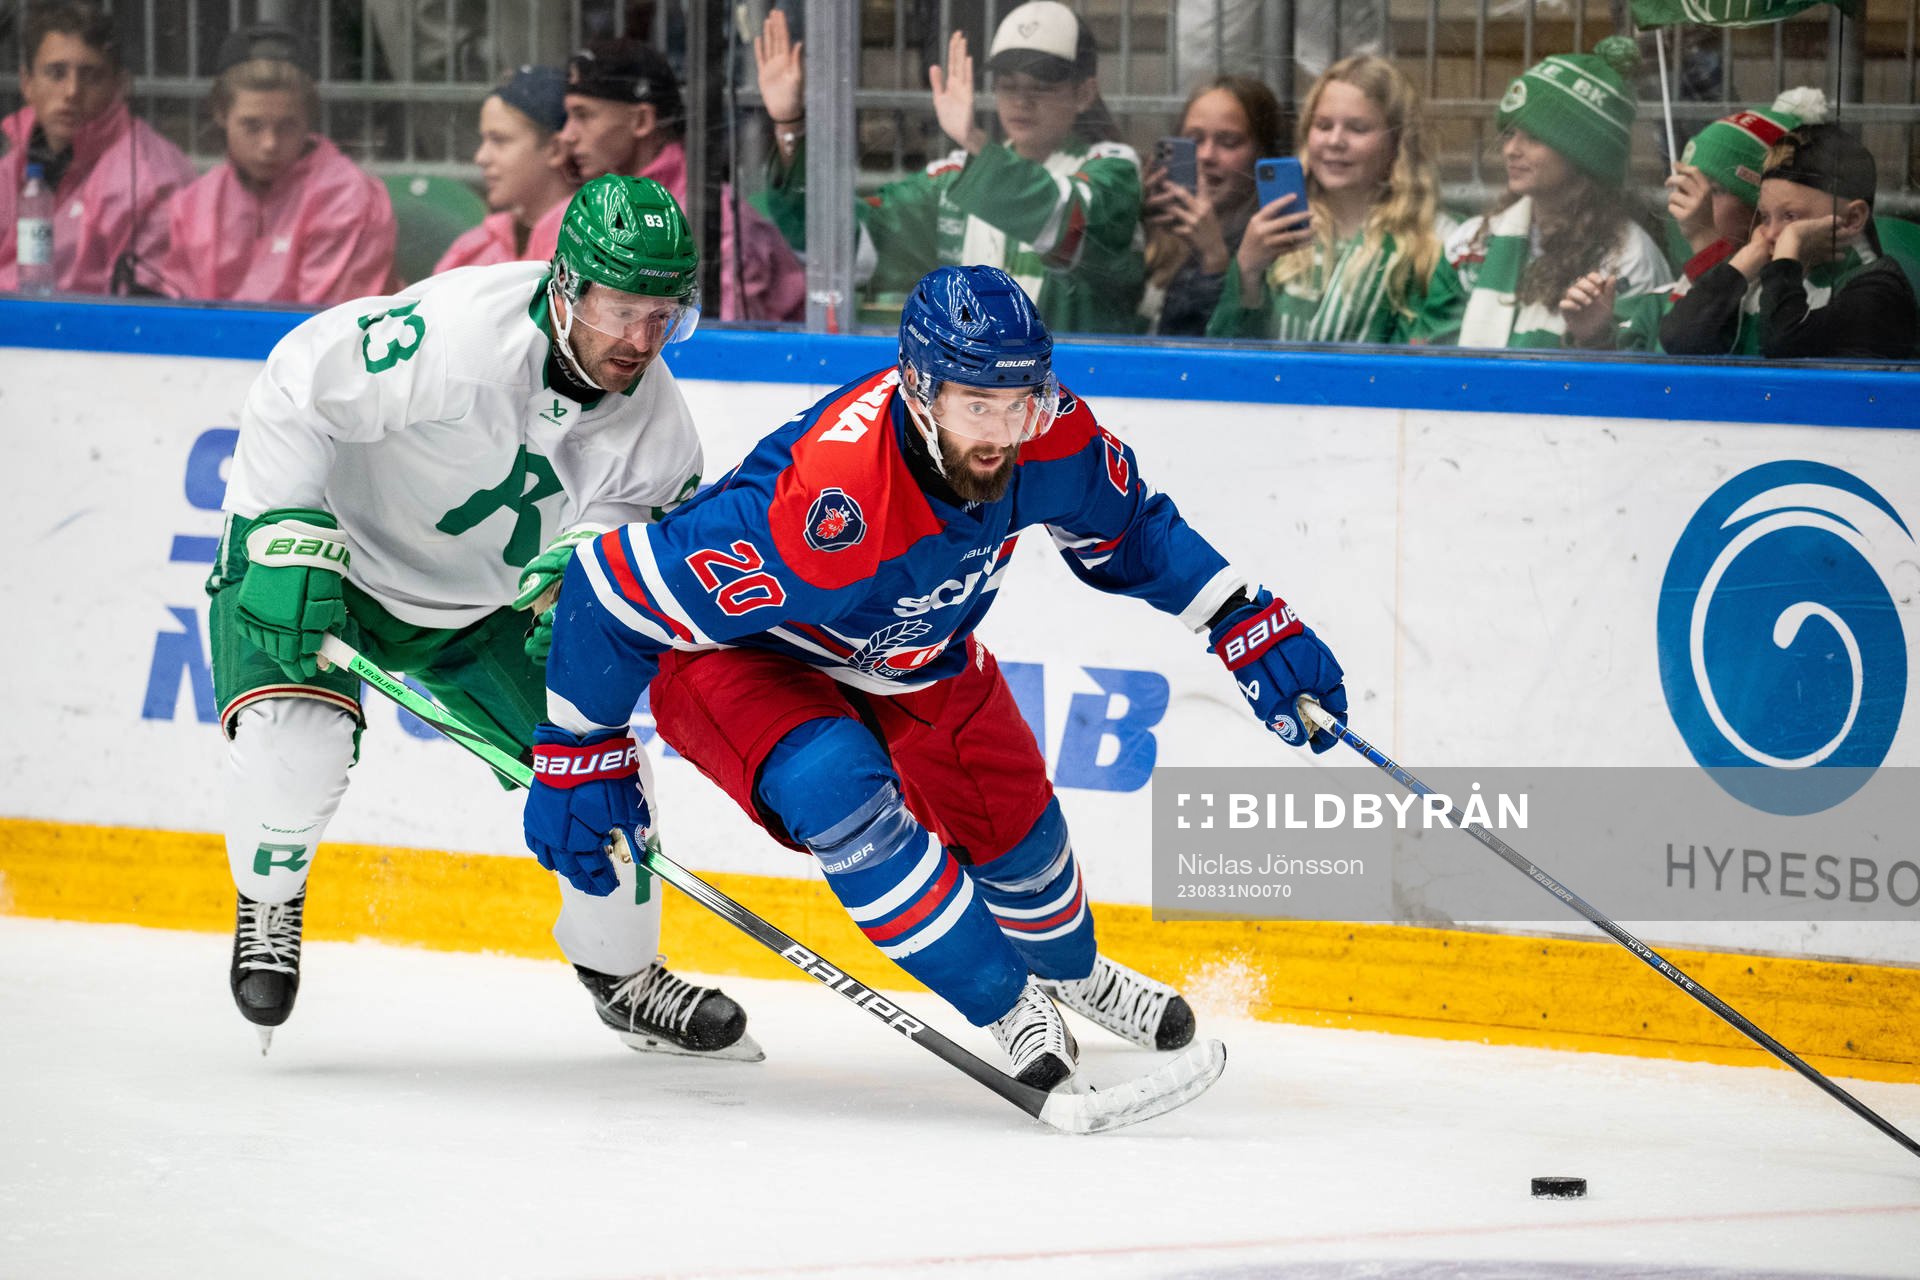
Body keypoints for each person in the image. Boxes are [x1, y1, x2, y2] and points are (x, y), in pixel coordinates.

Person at [521, 264, 1350, 1092]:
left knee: (1015, 820)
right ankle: (1007, 1004)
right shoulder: (828, 500)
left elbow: (1131, 532)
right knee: (834, 785)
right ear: (919, 392)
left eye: (1017, 400)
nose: (999, 430)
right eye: (974, 405)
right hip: (747, 660)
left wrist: (1240, 617)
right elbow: (609, 589)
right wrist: (575, 749)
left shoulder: (1049, 434)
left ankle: (1070, 974)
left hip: (915, 650)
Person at [211, 174, 755, 1060]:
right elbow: (300, 381)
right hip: (332, 566)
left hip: (478, 609)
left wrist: (575, 605)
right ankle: (269, 898)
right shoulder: (458, 335)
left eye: (664, 316)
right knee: (291, 752)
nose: (641, 340)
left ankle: (623, 979)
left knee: (606, 785)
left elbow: (607, 564)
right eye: (622, 310)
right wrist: (279, 525)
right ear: (566, 286)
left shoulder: (658, 438)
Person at [754, 2, 1145, 335]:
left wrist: (974, 140)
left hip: (1080, 395)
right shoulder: (952, 180)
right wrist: (790, 125)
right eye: (1009, 85)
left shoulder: (1114, 168)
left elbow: (1064, 218)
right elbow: (837, 242)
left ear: (1084, 94)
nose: (1022, 101)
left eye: (1041, 86)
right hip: (977, 398)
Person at [1405, 38, 1670, 350]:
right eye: (1509, 134)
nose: (1510, 151)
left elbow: (1635, 378)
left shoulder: (1629, 258)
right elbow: (1428, 352)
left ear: (1584, 152)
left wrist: (1596, 337)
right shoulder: (1470, 243)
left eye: (1533, 138)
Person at [525, 37, 805, 324]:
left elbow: (724, 355)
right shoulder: (559, 220)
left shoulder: (716, 221)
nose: (567, 134)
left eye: (583, 115)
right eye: (568, 115)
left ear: (642, 121)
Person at [1558, 88, 1829, 353]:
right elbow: (1638, 389)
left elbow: (1709, 354)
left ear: (1763, 208)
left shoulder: (1799, 307)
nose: (1692, 205)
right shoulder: (1657, 303)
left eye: (1717, 190)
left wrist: (1706, 242)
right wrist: (1595, 338)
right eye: (1689, 186)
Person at [1206, 55, 1451, 345]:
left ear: (1397, 142)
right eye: (1323, 126)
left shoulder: (1433, 242)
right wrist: (1246, 270)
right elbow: (1226, 356)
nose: (1335, 141)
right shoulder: (1280, 228)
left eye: (1357, 128)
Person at [159, 24, 396, 306]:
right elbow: (178, 313)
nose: (269, 144)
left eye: (286, 126)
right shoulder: (195, 202)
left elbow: (328, 329)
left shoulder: (347, 197)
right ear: (221, 115)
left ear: (308, 118)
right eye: (252, 126)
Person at [1653, 124, 1916, 360]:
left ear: (1852, 219)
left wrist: (1789, 251)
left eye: (1791, 217)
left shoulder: (1879, 290)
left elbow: (1784, 346)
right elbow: (1678, 337)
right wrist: (1746, 260)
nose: (1772, 234)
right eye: (1765, 217)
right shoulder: (1764, 276)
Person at [0, 2, 194, 294]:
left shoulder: (151, 177)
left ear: (117, 85)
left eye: (90, 75)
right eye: (56, 73)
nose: (72, 92)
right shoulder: (12, 167)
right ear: (27, 83)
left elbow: (140, 306)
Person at [1138, 76, 1284, 337]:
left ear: (1261, 153)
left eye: (1228, 142)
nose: (1206, 156)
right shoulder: (1160, 228)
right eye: (1194, 140)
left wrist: (1215, 260)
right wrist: (1133, 217)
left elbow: (1201, 352)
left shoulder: (1268, 244)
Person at [432, 65, 577, 273]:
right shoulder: (483, 243)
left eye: (499, 140)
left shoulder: (584, 253)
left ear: (554, 150)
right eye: (484, 139)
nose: (480, 157)